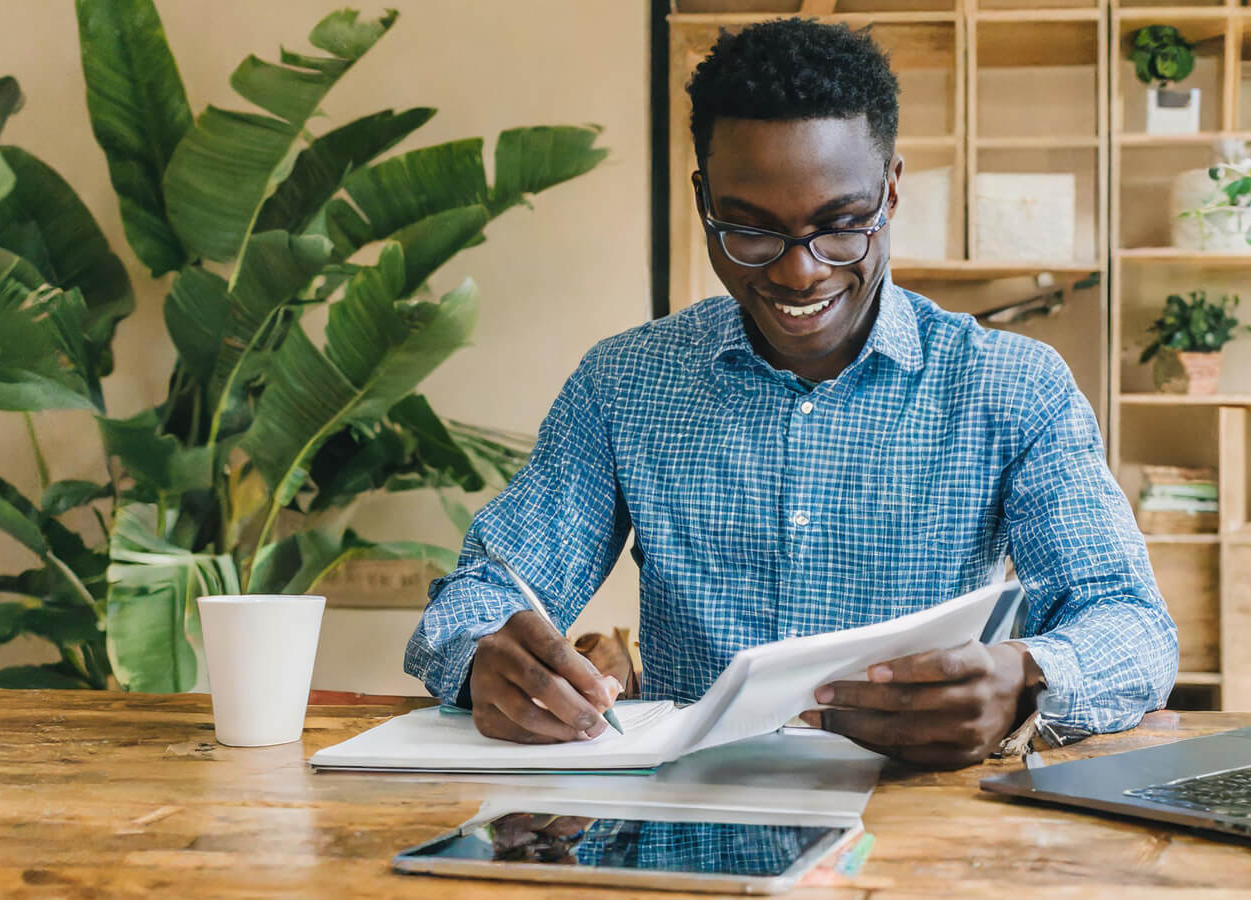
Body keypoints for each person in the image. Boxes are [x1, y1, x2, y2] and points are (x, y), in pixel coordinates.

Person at [406, 18, 1177, 769]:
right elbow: (479, 598)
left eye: (842, 226)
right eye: (750, 230)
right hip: (691, 817)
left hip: (919, 817)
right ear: (704, 201)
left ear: (891, 192)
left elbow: (1133, 625)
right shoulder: (625, 385)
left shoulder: (1012, 386)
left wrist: (1024, 677)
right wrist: (486, 657)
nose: (799, 273)